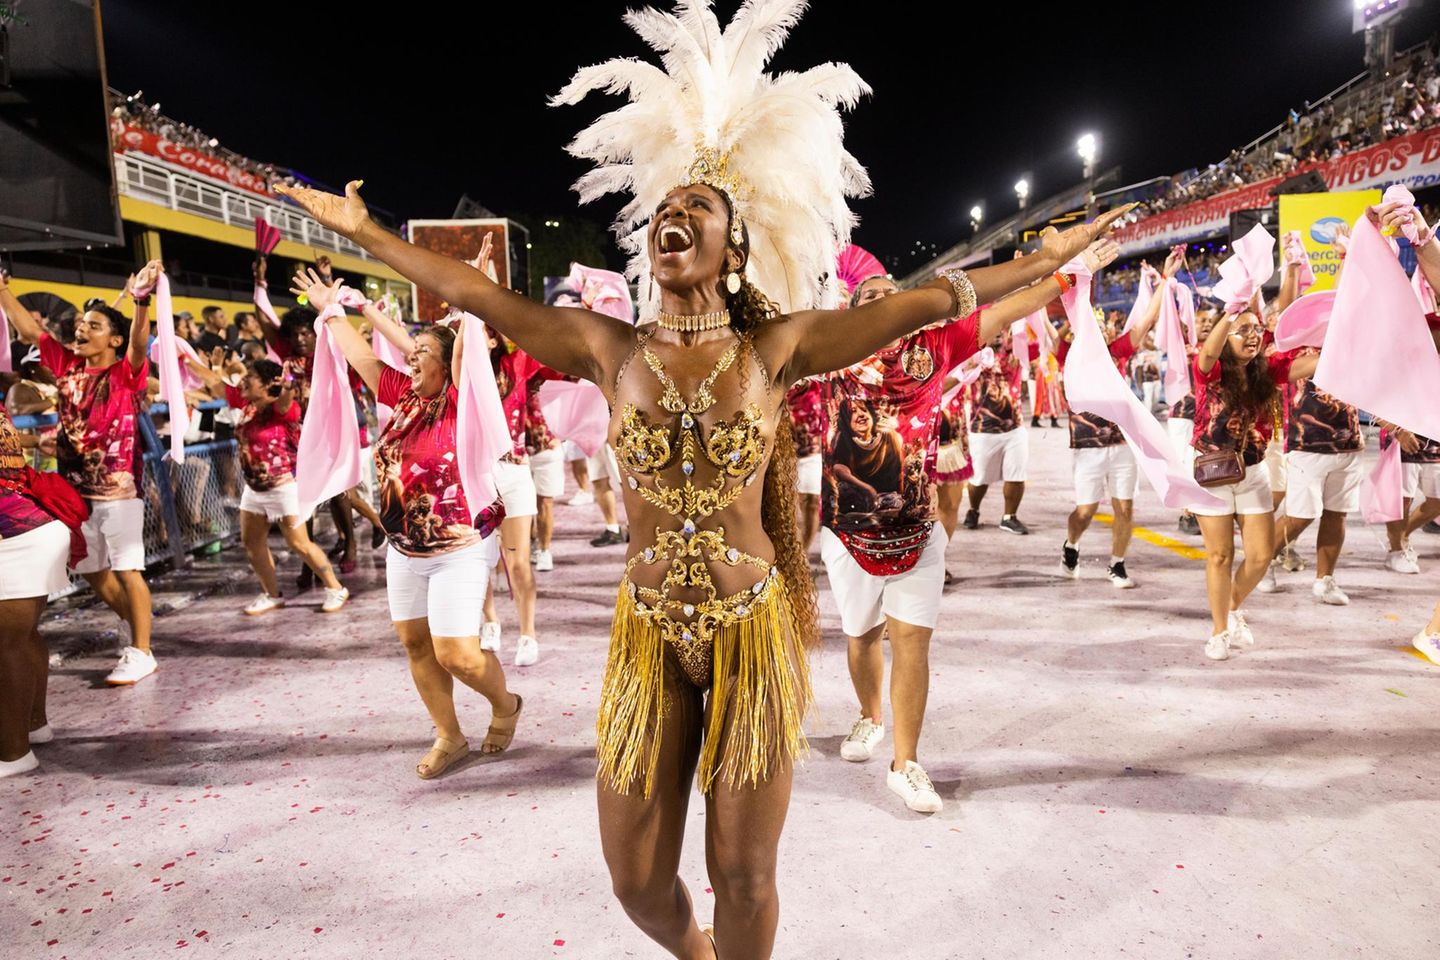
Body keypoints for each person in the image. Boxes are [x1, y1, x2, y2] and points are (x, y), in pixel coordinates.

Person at [276, 3, 1122, 948]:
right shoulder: (606, 346)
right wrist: (368, 232)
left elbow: (928, 302)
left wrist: (1039, 264)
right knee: (635, 878)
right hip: (647, 635)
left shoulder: (777, 346)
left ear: (733, 248)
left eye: (696, 211)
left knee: (743, 875)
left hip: (751, 630)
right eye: (664, 211)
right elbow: (474, 293)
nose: (672, 218)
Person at [823, 258, 1111, 814]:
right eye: (867, 296)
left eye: (891, 292)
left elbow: (1006, 307)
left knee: (911, 642)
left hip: (917, 528)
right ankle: (869, 716)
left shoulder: (938, 343)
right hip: (847, 531)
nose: (882, 299)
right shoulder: (831, 348)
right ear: (847, 312)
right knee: (861, 636)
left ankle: (906, 764)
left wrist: (1066, 275)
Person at [291, 268, 520, 780]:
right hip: (403, 550)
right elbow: (364, 357)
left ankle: (504, 704)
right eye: (410, 352)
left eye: (420, 353)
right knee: (417, 646)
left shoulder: (460, 402)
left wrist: (475, 285)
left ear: (446, 363)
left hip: (457, 546)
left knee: (457, 653)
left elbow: (466, 352)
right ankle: (449, 735)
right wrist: (330, 310)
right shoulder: (404, 397)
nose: (408, 357)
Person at [8, 262, 163, 684]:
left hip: (118, 491)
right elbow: (28, 331)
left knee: (128, 569)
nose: (81, 330)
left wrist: (141, 301)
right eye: (80, 324)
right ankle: (139, 629)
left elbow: (137, 343)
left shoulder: (125, 373)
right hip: (76, 492)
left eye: (93, 326)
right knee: (93, 570)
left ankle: (142, 650)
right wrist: (3, 290)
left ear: (112, 339)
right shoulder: (66, 366)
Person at [1190, 301, 1320, 660]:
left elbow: (1315, 363)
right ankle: (1219, 631)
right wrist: (1230, 313)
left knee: (1262, 556)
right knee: (1220, 555)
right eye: (1243, 330)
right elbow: (1208, 351)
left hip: (1253, 473)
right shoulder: (1210, 370)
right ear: (1226, 333)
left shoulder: (1269, 369)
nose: (1252, 336)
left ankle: (1231, 607)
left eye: (1256, 330)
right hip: (1212, 472)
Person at [188, 357, 349, 614]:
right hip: (254, 490)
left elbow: (285, 396)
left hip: (285, 486)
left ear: (266, 385)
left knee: (299, 544)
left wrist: (285, 383)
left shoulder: (283, 409)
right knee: (252, 543)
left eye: (249, 377)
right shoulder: (246, 405)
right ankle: (272, 594)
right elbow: (215, 383)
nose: (242, 381)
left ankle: (335, 588)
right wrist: (183, 357)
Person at [1055, 251, 1177, 588]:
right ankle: (1071, 544)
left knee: (1125, 508)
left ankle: (1117, 564)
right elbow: (1055, 342)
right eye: (1094, 322)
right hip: (1087, 447)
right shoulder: (1070, 354)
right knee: (1085, 511)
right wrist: (1072, 315)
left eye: (1103, 323)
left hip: (1122, 443)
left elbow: (1146, 322)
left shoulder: (1118, 351)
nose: (1102, 327)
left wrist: (1164, 281)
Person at [0, 407, 78, 778]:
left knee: (7, 644)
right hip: (33, 531)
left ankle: (14, 754)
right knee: (23, 637)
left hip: (17, 538)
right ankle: (35, 726)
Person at [963, 325, 1030, 533]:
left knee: (1017, 475)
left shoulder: (1018, 352)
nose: (1000, 334)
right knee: (979, 478)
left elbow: (1042, 343)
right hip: (982, 428)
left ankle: (1009, 517)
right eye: (996, 329)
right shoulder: (972, 354)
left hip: (1014, 427)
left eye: (1005, 330)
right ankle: (973, 510)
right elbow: (959, 371)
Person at [785, 378, 826, 553]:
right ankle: (789, 553)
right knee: (787, 504)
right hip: (784, 453)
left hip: (813, 451)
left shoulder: (815, 381)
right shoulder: (779, 376)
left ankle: (803, 554)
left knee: (811, 502)